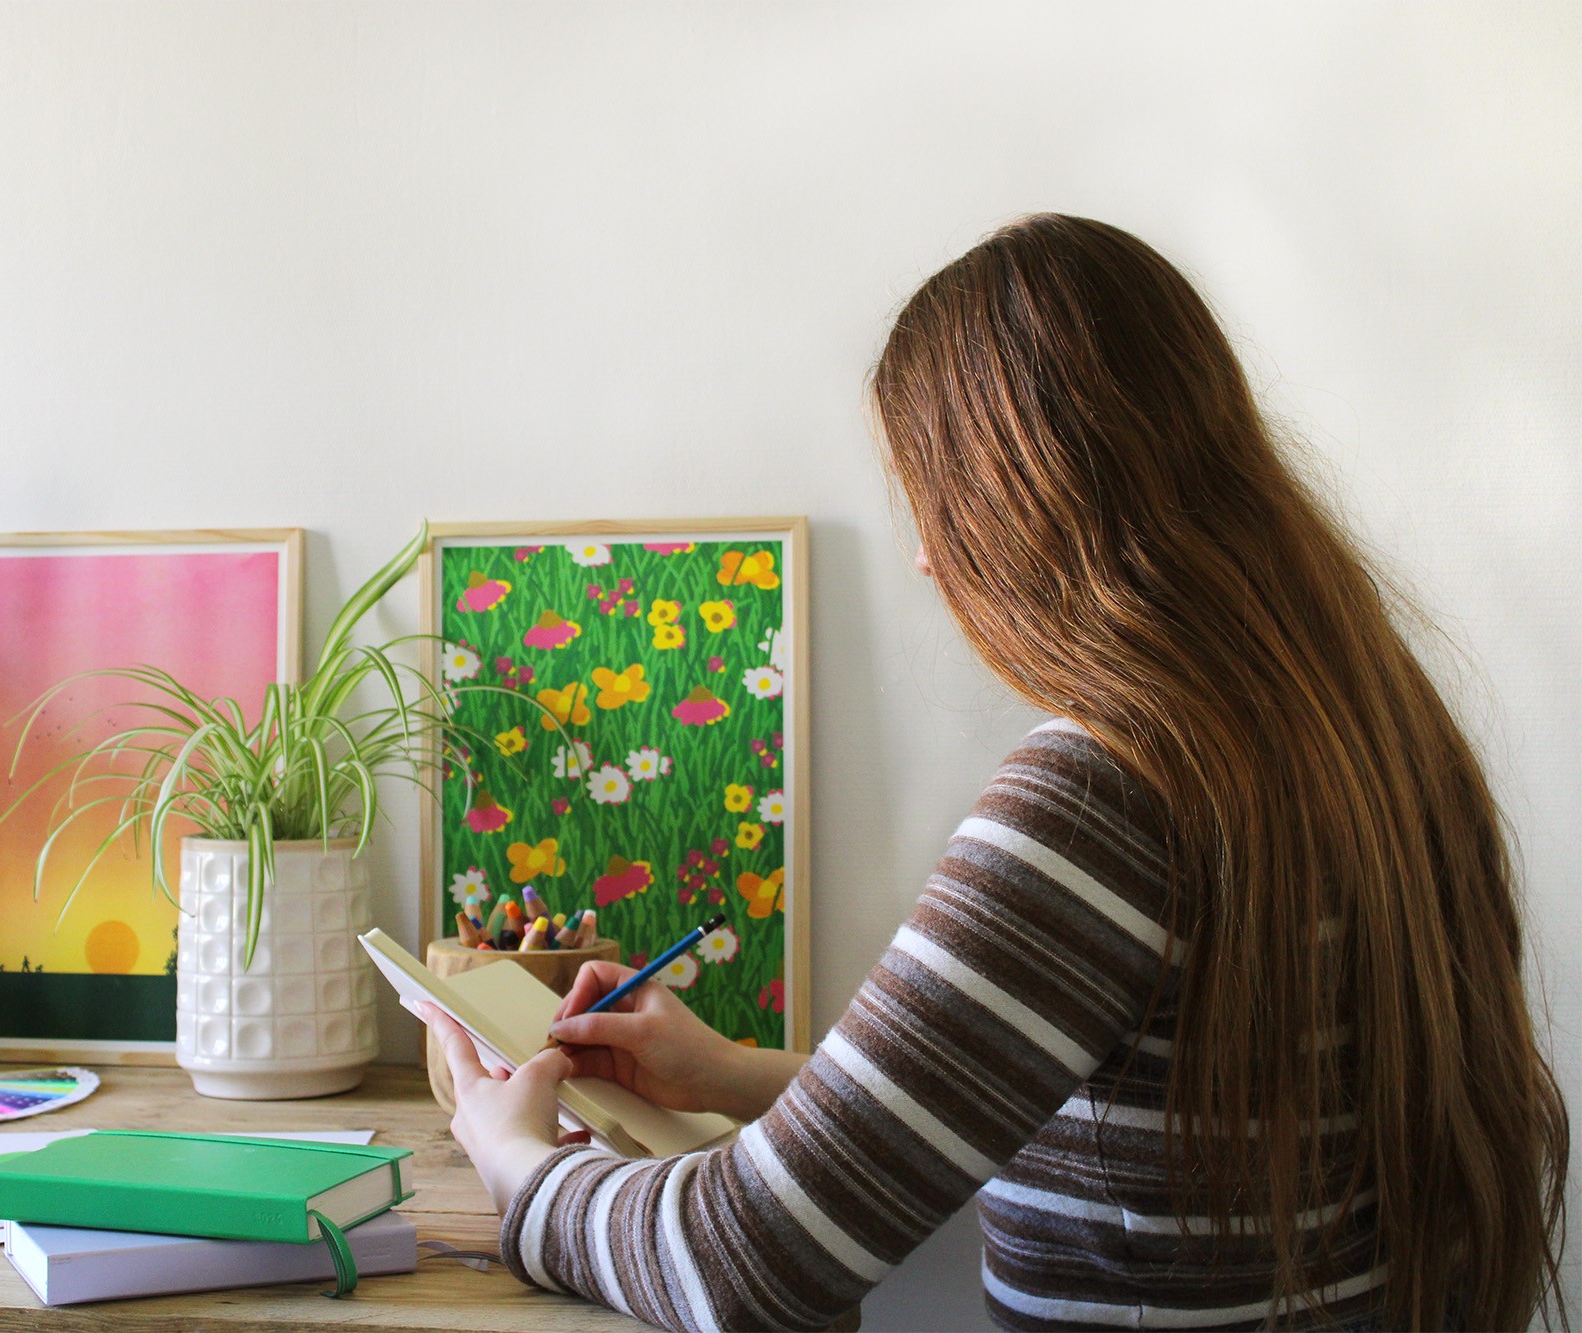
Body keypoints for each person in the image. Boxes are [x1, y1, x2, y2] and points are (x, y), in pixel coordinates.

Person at [419, 214, 1570, 1331]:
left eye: (931, 497)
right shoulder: (1367, 729)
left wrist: (515, 1161)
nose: (923, 556)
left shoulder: (1104, 794)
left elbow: (745, 1266)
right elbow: (1123, 1117)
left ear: (1024, 495)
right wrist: (731, 1074)